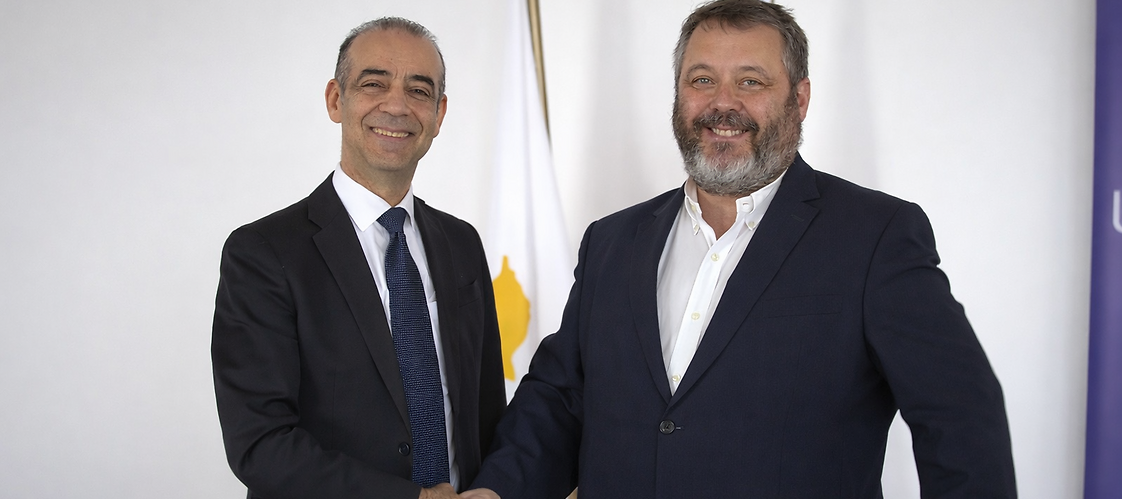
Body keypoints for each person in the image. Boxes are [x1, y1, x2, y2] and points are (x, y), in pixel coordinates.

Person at [468, 1, 1017, 497]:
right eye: (701, 79)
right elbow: (562, 400)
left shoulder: (875, 236)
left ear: (799, 98)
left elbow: (961, 419)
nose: (721, 104)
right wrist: (495, 493)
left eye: (751, 81)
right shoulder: (612, 242)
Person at [211, 18, 506, 499]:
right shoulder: (262, 253)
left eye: (419, 90)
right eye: (374, 83)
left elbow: (488, 413)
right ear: (335, 99)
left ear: (438, 113)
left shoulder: (461, 244)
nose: (396, 105)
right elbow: (260, 444)